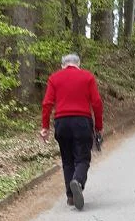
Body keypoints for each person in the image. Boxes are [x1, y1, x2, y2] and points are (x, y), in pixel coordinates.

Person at [40, 53, 104, 210]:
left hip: (62, 122)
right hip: (82, 122)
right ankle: (78, 181)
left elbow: (47, 103)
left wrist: (45, 127)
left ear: (63, 65)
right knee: (82, 158)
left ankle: (70, 196)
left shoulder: (54, 78)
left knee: (67, 160)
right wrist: (98, 127)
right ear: (78, 64)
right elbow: (96, 103)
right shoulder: (87, 77)